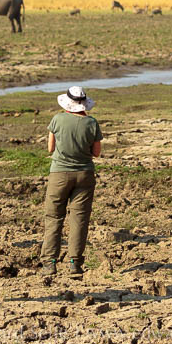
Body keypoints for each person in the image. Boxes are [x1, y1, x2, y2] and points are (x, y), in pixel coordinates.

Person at [40, 86, 102, 277]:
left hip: (59, 174)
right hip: (84, 174)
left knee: (53, 218)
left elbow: (50, 148)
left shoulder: (57, 119)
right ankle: (75, 263)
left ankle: (50, 263)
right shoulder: (91, 122)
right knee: (79, 219)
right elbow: (96, 153)